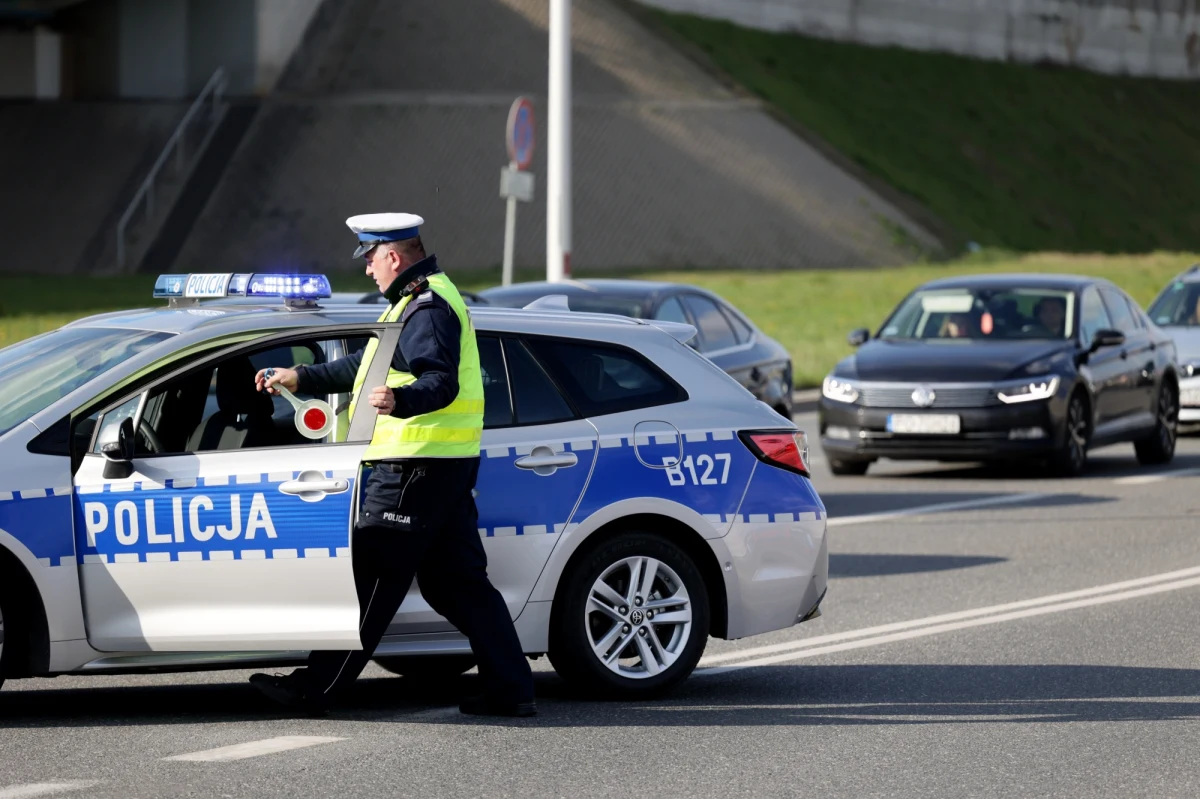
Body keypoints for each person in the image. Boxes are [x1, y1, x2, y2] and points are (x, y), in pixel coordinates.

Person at [248, 213, 535, 718]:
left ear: (393, 257)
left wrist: (400, 402)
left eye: (370, 259)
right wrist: (300, 377)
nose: (367, 270)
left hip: (412, 469)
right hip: (437, 466)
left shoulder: (427, 307)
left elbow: (440, 381)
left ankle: (314, 689)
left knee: (372, 578)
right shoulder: (415, 301)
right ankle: (510, 688)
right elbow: (364, 366)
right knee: (457, 584)